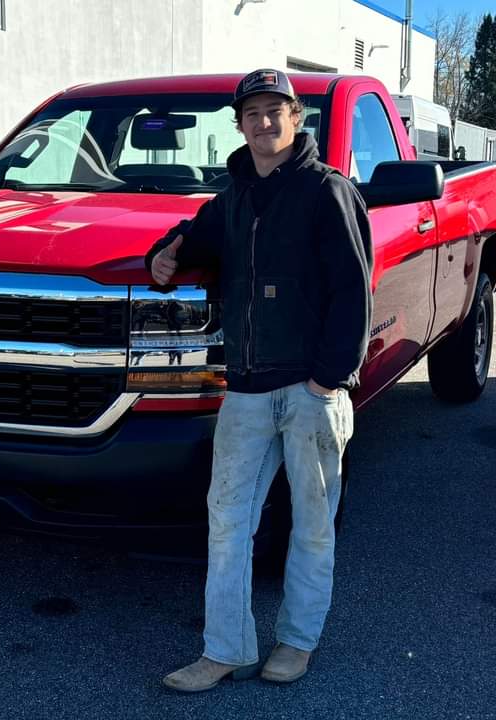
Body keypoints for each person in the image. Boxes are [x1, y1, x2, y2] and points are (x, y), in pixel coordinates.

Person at [145, 69, 373, 692]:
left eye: (276, 110)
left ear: (296, 117)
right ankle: (225, 650)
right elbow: (191, 236)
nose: (264, 121)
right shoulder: (234, 195)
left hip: (310, 391)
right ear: (239, 124)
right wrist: (164, 254)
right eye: (253, 113)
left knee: (312, 525)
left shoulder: (328, 190)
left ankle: (297, 642)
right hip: (245, 390)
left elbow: (354, 292)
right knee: (227, 523)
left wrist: (326, 381)